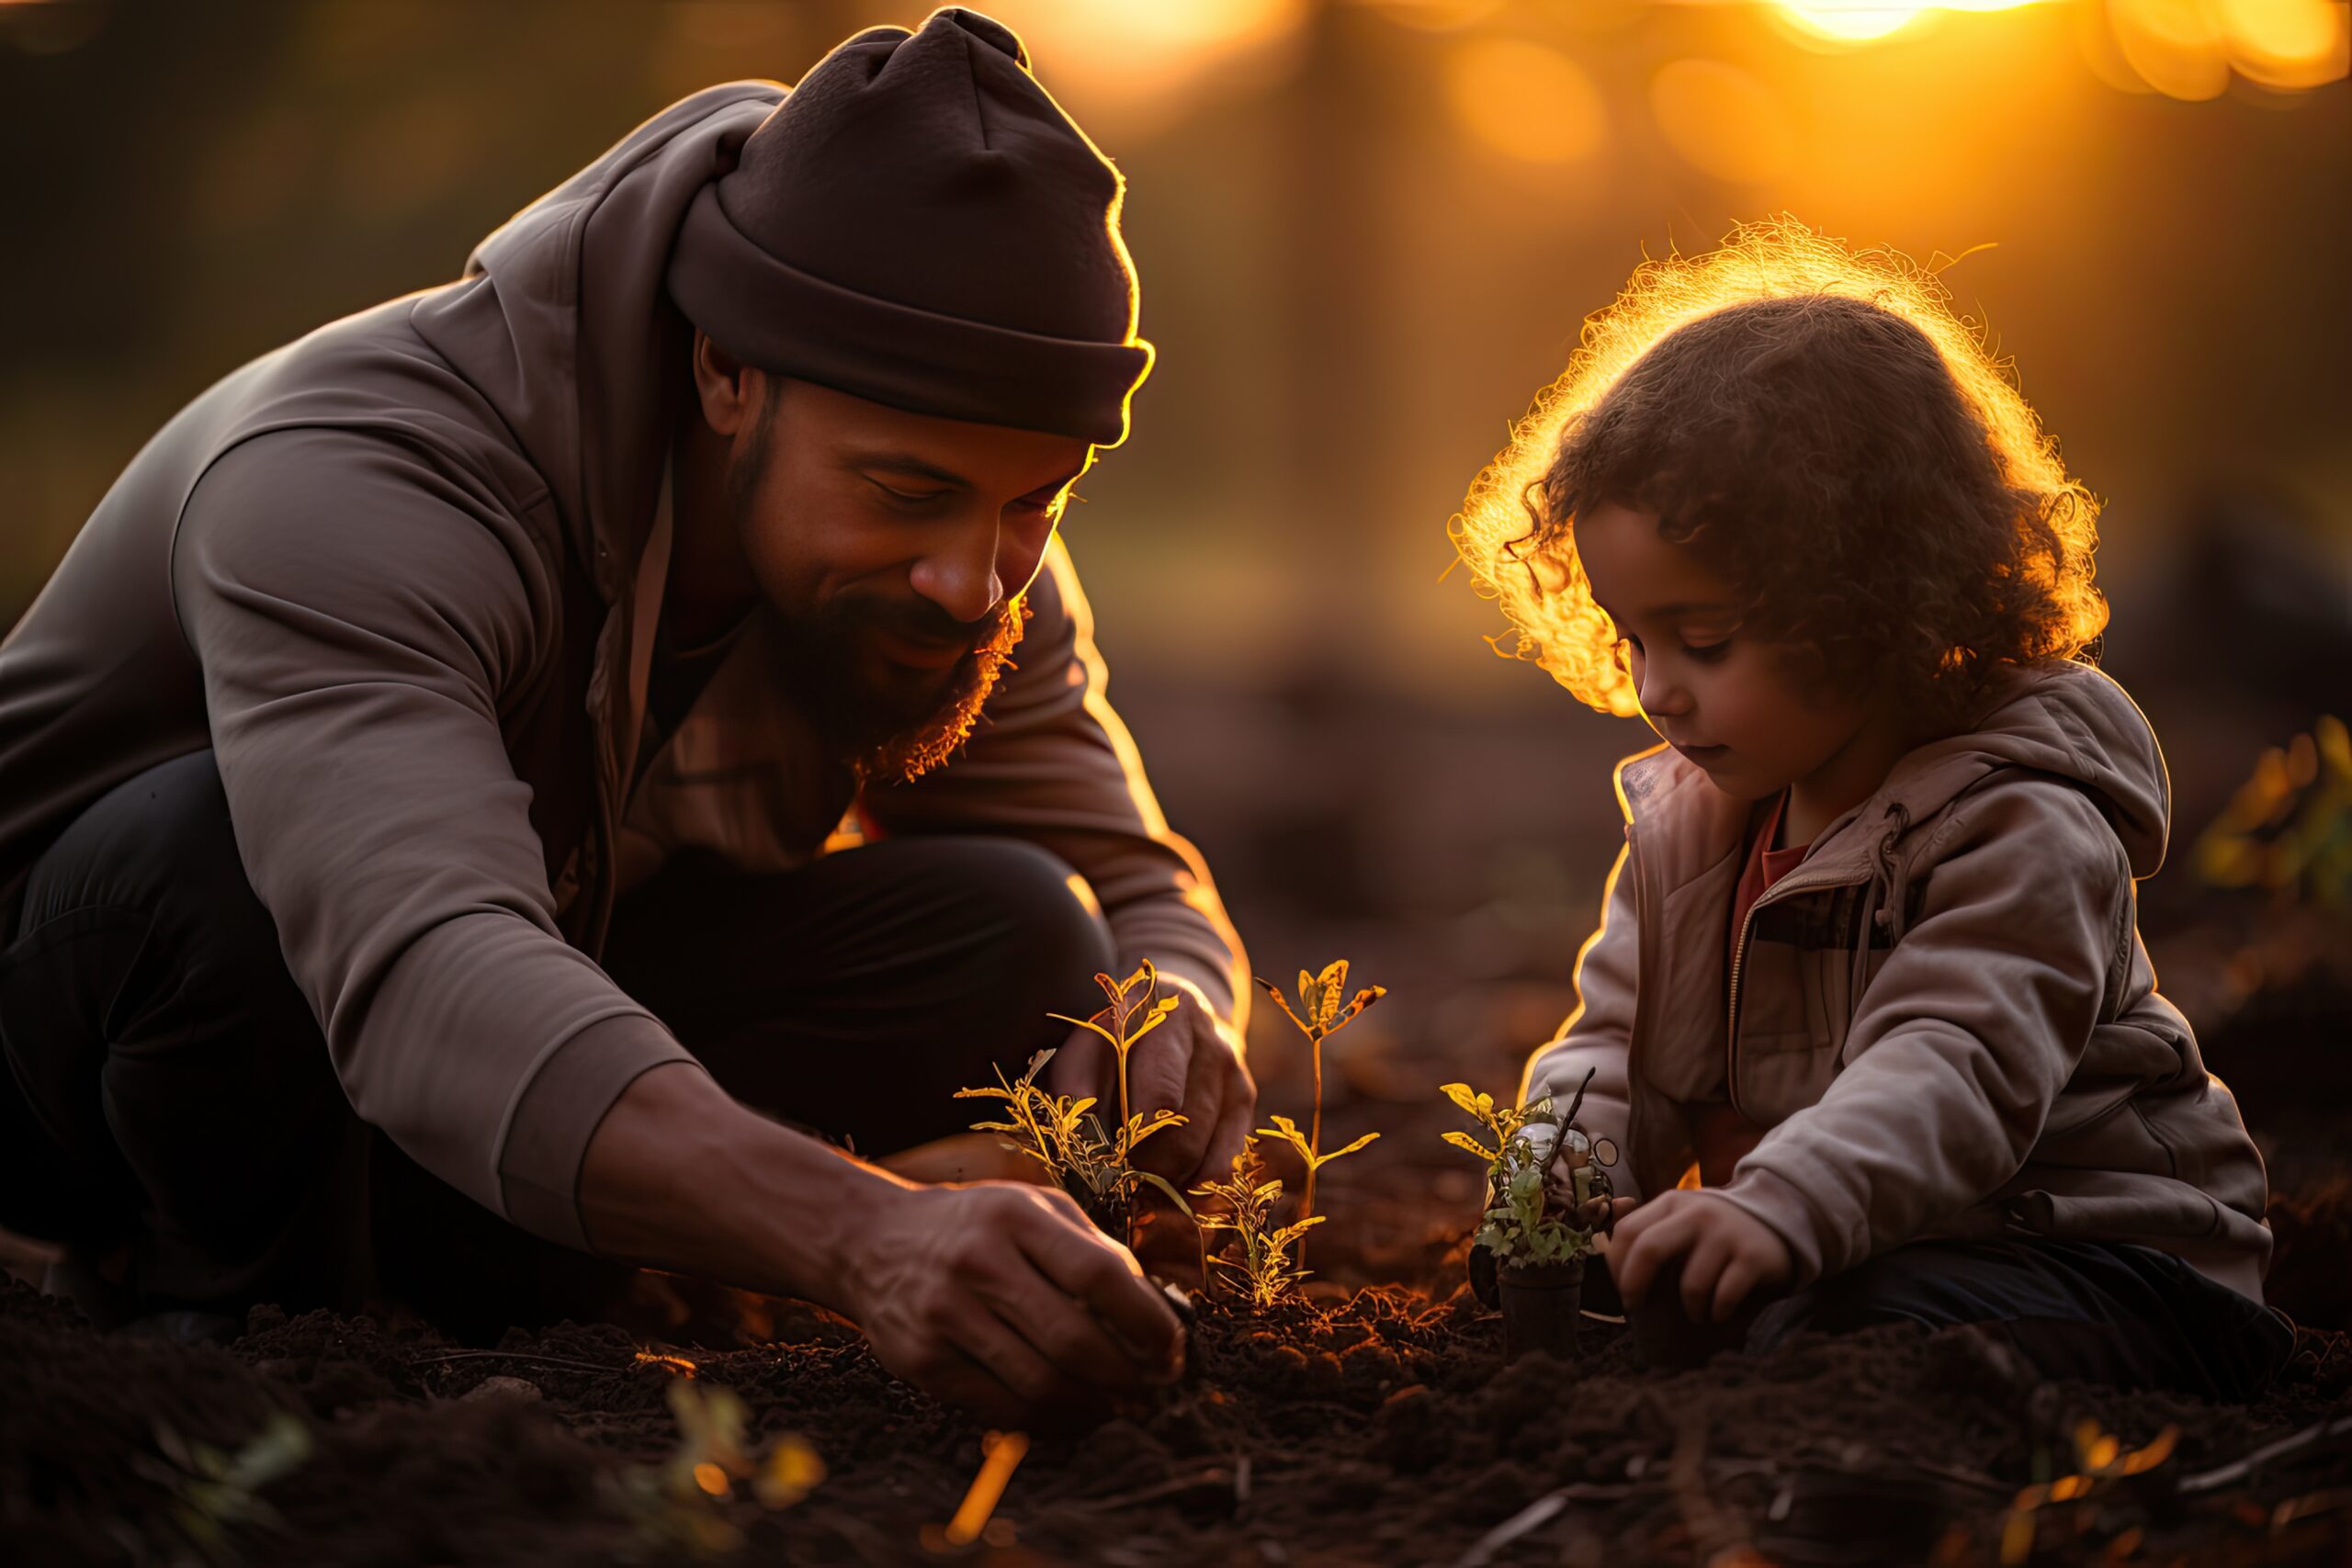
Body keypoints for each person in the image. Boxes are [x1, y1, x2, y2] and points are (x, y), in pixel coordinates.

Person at [0, 8, 1255, 1426]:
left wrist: (1177, 1004)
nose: (975, 582)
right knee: (214, 850)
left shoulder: (950, 534)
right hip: (89, 1052)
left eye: (1037, 500)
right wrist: (863, 1230)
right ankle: (220, 1318)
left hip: (467, 1043)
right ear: (725, 371)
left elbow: (1138, 880)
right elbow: (424, 963)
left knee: (1026, 922)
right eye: (909, 493)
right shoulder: (363, 478)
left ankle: (521, 1255)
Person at [1450, 221, 2291, 1399]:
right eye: (1633, 638)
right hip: (1843, 1240)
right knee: (1714, 1317)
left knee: (1855, 1346)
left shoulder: (2023, 823)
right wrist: (1557, 1194)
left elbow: (1952, 1060)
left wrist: (1784, 1207)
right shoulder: (1697, 822)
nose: (1655, 689)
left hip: (2101, 1262)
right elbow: (1610, 1042)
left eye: (1702, 640)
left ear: (1869, 599)